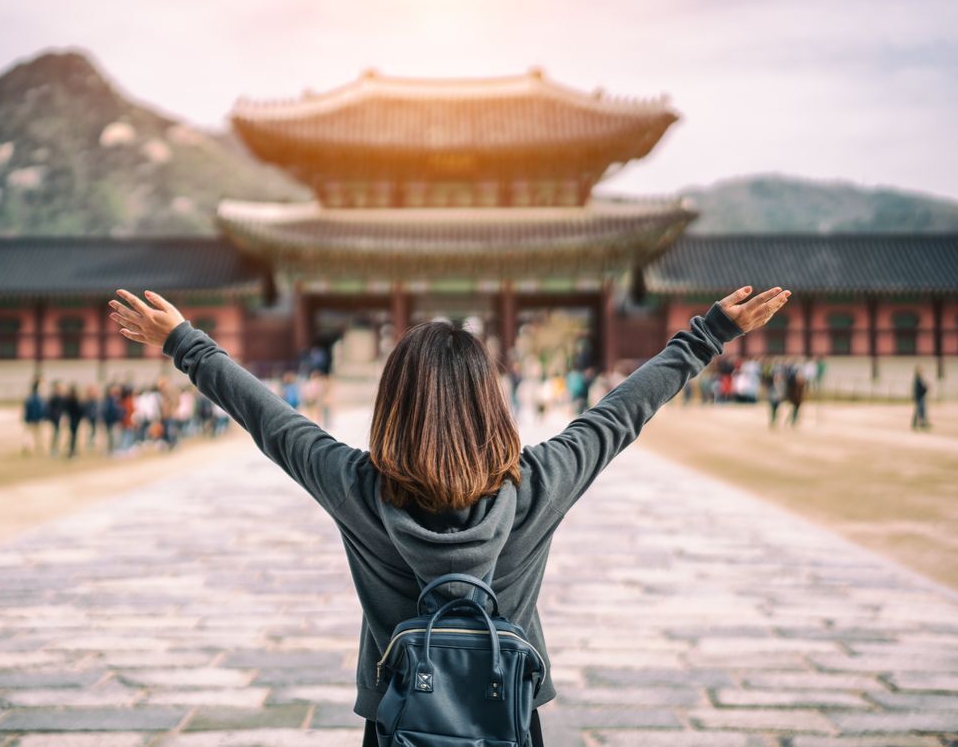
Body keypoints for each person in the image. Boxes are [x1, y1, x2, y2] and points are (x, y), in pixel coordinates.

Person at [107, 283, 790, 746]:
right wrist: (711, 332)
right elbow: (621, 413)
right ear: (490, 403)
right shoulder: (538, 483)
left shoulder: (357, 487)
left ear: (392, 404)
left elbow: (269, 418)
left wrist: (184, 342)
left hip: (401, 716)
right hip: (509, 717)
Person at [21, 379, 46, 456]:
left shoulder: (29, 398)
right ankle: (37, 447)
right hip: (36, 420)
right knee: (37, 435)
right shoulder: (38, 398)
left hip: (30, 419)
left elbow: (26, 410)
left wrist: (26, 419)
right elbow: (40, 410)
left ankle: (29, 447)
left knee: (30, 434)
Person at [45, 380, 66, 457]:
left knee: (58, 434)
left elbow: (64, 409)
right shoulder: (53, 397)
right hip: (54, 419)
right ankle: (54, 449)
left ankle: (56, 448)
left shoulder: (62, 397)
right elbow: (49, 409)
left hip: (59, 418)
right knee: (55, 434)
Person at [64, 383, 85, 458]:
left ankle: (72, 450)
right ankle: (72, 451)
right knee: (73, 436)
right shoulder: (74, 400)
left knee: (73, 436)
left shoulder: (69, 400)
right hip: (75, 420)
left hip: (73, 420)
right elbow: (80, 410)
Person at [912, 365, 931, 430]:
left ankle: (919, 423)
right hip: (919, 397)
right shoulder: (917, 379)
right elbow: (919, 389)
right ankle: (920, 424)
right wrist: (926, 388)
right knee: (920, 411)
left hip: (920, 396)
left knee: (919, 411)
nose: (921, 371)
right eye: (920, 370)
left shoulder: (919, 378)